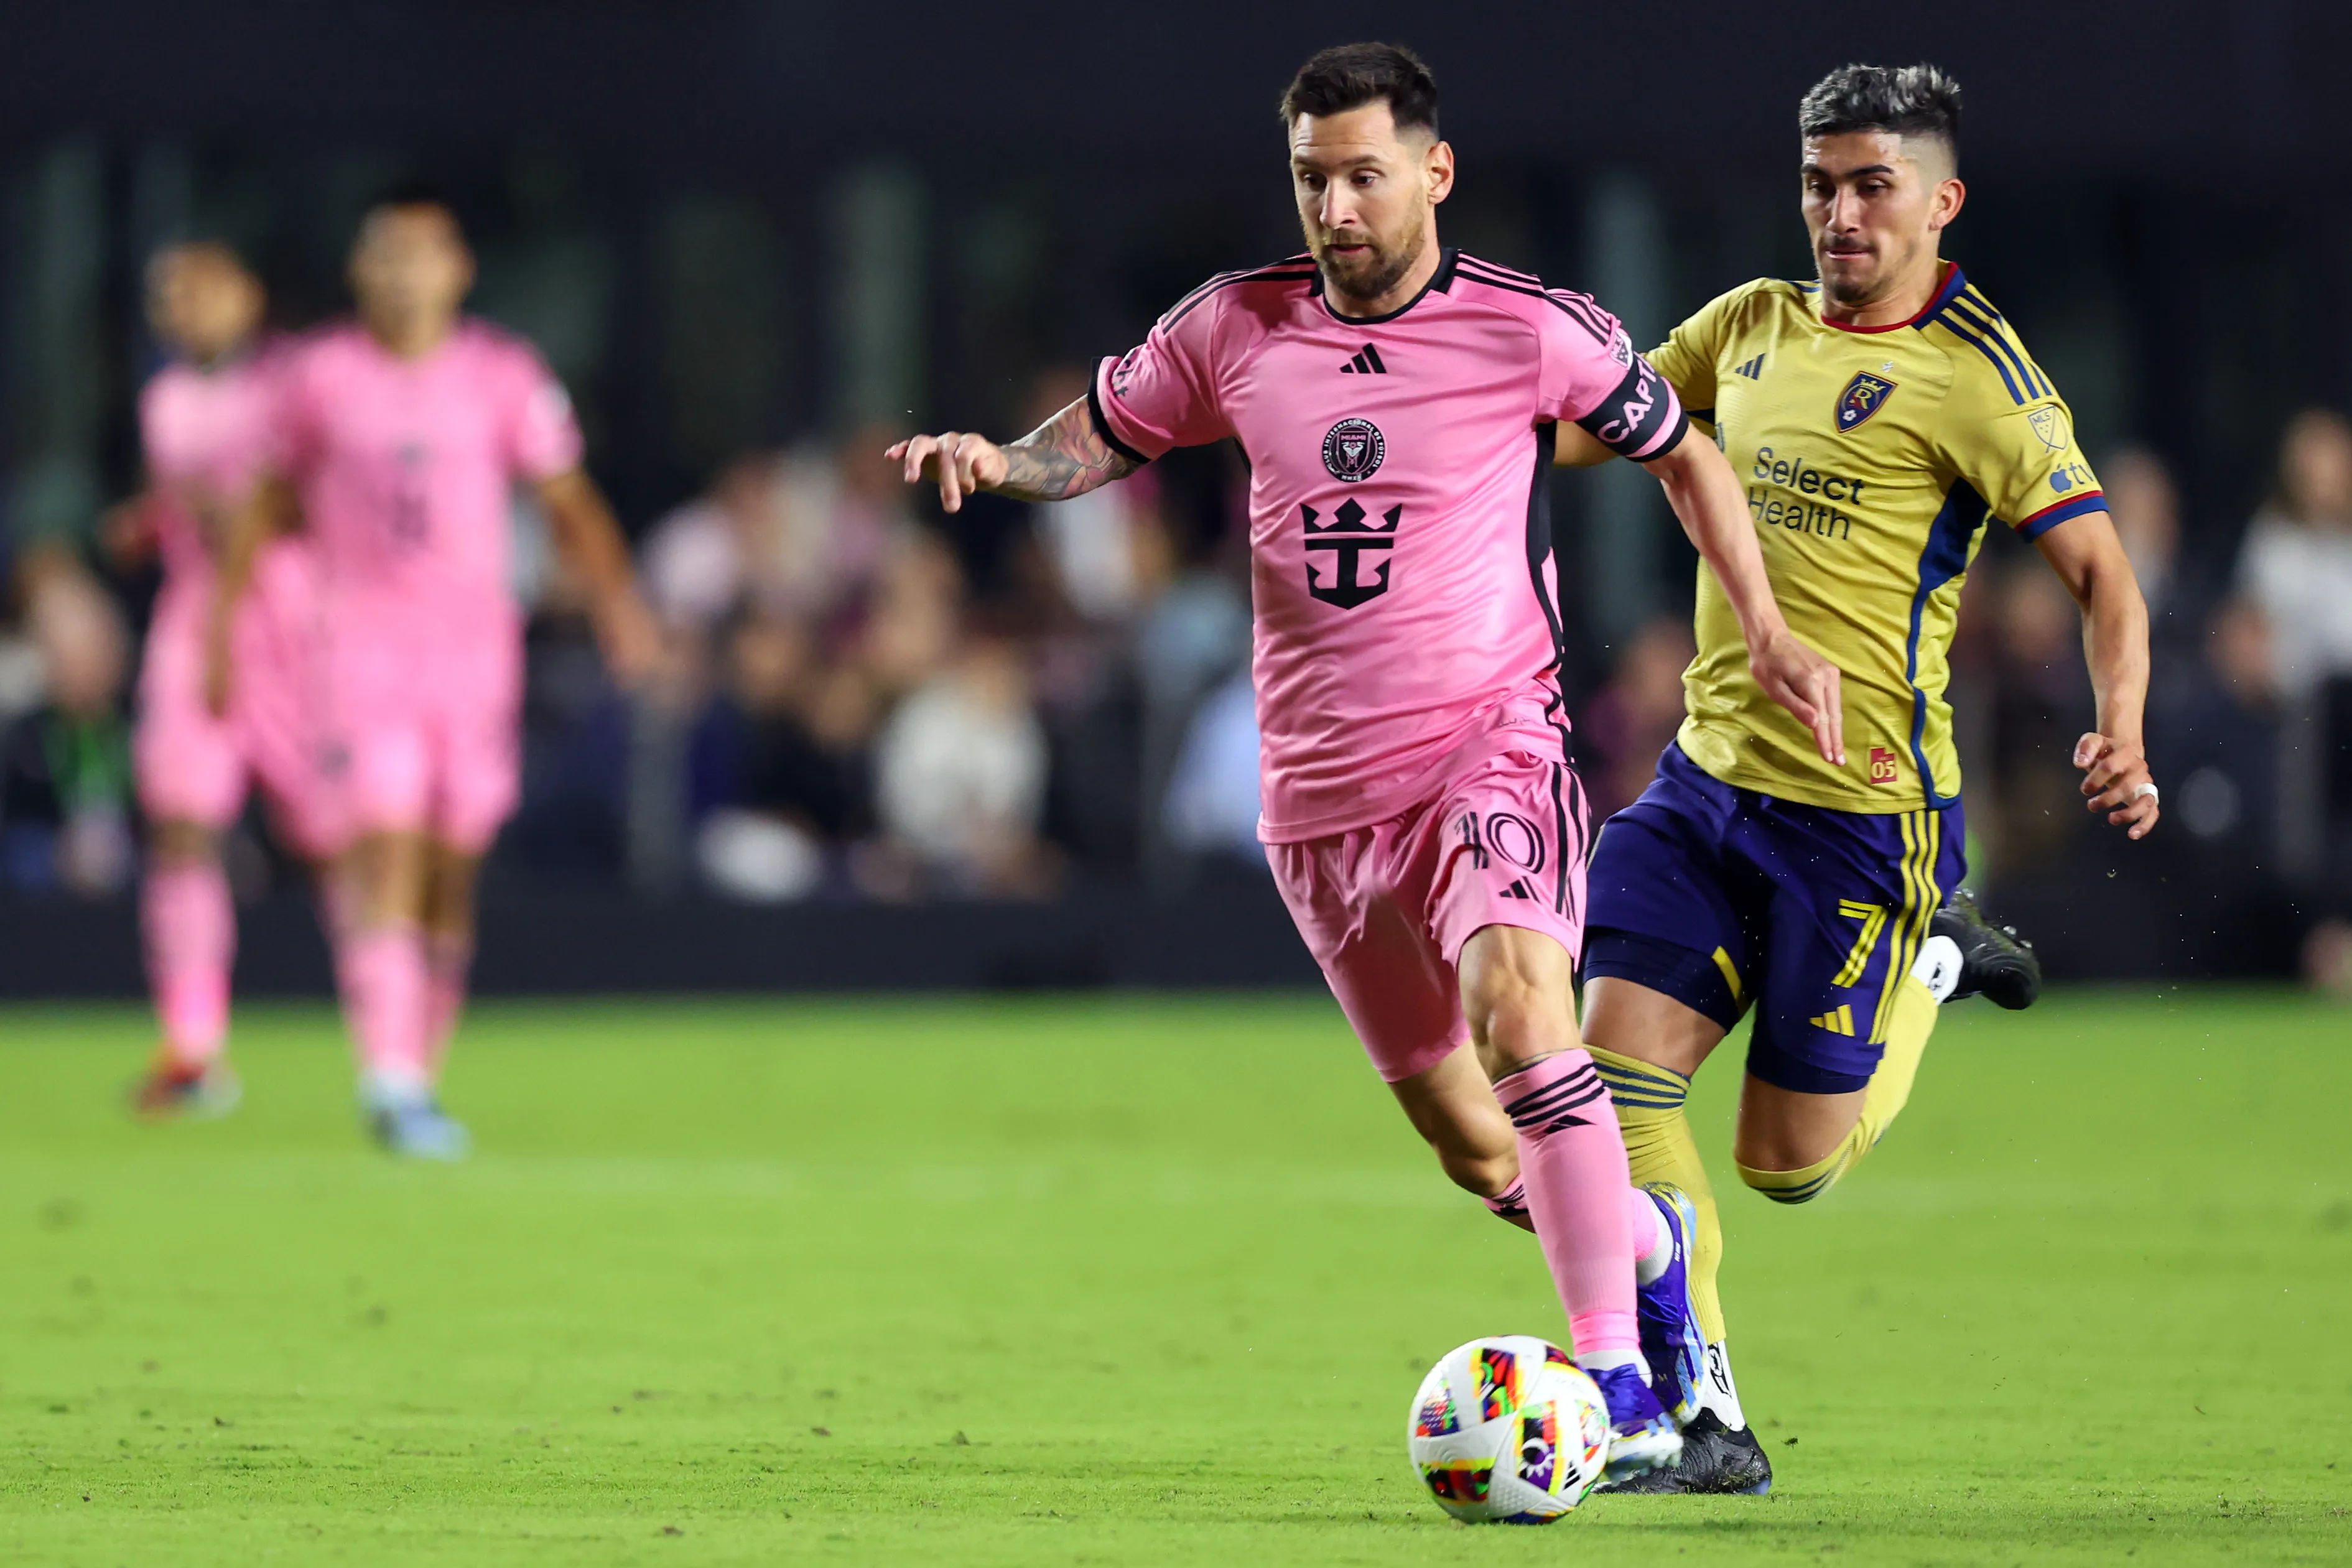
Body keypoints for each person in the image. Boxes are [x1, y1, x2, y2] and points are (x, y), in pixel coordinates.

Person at [893, 42, 1843, 1480]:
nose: (1335, 208)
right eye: (1312, 178)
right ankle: (1645, 1242)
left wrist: (1765, 630)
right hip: (1319, 802)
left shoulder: (1535, 331)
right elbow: (1102, 435)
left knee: (1526, 1012)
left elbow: (1688, 455)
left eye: (1362, 176)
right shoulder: (1233, 326)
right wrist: (1003, 460)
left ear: (1433, 174)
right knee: (1477, 1145)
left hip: (1490, 743)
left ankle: (1630, 1397)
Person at [1557, 63, 2158, 1492]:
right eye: (1821, 181)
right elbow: (1601, 425)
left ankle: (1940, 963)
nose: (1838, 210)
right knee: (1612, 1084)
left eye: (1871, 185)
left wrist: (2121, 726)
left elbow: (2106, 581)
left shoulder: (1986, 381)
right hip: (1703, 791)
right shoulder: (1746, 327)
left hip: (1863, 825)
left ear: (1942, 203)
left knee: (1788, 1168)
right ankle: (1701, 1416)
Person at [211, 183, 659, 1157]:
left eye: (424, 255)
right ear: (358, 272)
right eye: (386, 255)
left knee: (451, 869)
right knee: (387, 833)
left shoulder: (502, 377)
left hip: (474, 656)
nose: (405, 274)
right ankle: (391, 1076)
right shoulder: (319, 379)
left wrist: (620, 604)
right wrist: (225, 629)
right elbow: (265, 506)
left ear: (458, 271)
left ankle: (417, 1063)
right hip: (359, 647)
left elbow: (565, 501)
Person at [120, 243, 343, 1116]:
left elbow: (315, 495)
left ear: (250, 295)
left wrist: (244, 511)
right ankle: (193, 1045)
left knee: (333, 837)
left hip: (290, 620)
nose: (184, 308)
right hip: (195, 618)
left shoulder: (299, 384)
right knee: (181, 823)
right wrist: (153, 520)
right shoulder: (165, 398)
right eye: (169, 294)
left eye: (203, 290)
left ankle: (394, 1038)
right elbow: (186, 502)